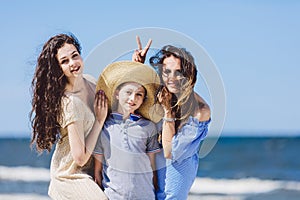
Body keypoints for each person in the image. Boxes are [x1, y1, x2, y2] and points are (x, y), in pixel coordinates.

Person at [30, 33, 108, 200]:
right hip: (70, 175)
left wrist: (135, 65)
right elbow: (79, 158)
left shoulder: (91, 82)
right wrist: (99, 121)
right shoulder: (69, 103)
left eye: (75, 56)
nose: (73, 63)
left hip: (95, 167)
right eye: (64, 61)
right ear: (58, 68)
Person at [132, 37, 211, 200]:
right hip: (149, 188)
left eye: (178, 72)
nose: (171, 78)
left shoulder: (200, 112)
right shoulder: (163, 96)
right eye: (167, 71)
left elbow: (171, 152)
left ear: (188, 74)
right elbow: (131, 104)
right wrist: (137, 67)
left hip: (172, 194)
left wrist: (168, 111)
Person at [93, 61, 162, 200]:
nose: (133, 99)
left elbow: (153, 166)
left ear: (143, 100)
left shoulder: (148, 127)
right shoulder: (104, 128)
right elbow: (97, 172)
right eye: (128, 92)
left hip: (145, 196)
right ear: (117, 94)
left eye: (139, 95)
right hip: (114, 196)